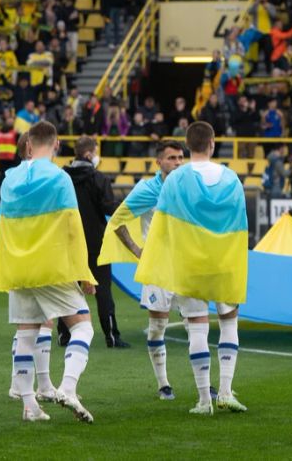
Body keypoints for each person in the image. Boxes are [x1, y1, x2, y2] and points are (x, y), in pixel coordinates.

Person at [135, 121, 249, 415]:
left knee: (197, 327)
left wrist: (158, 262)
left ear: (187, 146)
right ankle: (225, 391)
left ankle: (204, 400)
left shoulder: (175, 179)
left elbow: (162, 225)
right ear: (212, 144)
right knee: (228, 322)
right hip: (223, 263)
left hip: (190, 265)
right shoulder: (231, 178)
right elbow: (240, 227)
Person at [0, 121, 97, 423]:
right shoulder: (60, 179)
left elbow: (5, 226)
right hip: (51, 267)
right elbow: (73, 228)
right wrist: (84, 272)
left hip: (18, 268)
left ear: (26, 146)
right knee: (83, 327)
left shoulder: (9, 179)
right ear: (57, 144)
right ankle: (68, 388)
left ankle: (29, 406)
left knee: (26, 334)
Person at [98, 140, 185, 399]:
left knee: (196, 325)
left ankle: (205, 387)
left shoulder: (189, 186)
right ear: (159, 162)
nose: (178, 162)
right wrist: (137, 250)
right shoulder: (148, 190)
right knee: (158, 326)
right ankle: (163, 384)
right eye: (172, 158)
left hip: (187, 266)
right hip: (158, 268)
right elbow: (116, 220)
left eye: (181, 157)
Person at [7, 132, 58, 403]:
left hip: (17, 258)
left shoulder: (11, 179)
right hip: (37, 258)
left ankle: (21, 383)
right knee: (38, 324)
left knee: (27, 327)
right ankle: (41, 386)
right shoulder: (37, 177)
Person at [63, 136, 128, 348]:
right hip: (95, 243)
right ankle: (111, 336)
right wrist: (129, 205)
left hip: (68, 243)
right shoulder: (99, 178)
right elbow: (110, 209)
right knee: (103, 291)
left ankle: (64, 335)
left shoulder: (62, 178)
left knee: (68, 290)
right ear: (89, 154)